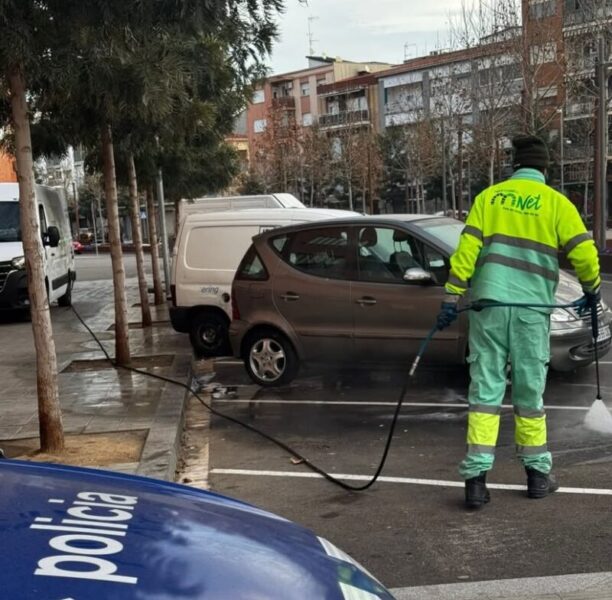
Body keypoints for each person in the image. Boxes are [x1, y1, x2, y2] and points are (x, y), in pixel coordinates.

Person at [436, 135, 601, 509]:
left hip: (489, 308)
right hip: (530, 312)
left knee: (485, 392)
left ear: (515, 165)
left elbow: (467, 252)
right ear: (545, 168)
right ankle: (537, 475)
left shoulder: (489, 199)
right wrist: (592, 289)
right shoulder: (557, 203)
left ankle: (476, 482)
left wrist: (451, 296)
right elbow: (585, 254)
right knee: (529, 395)